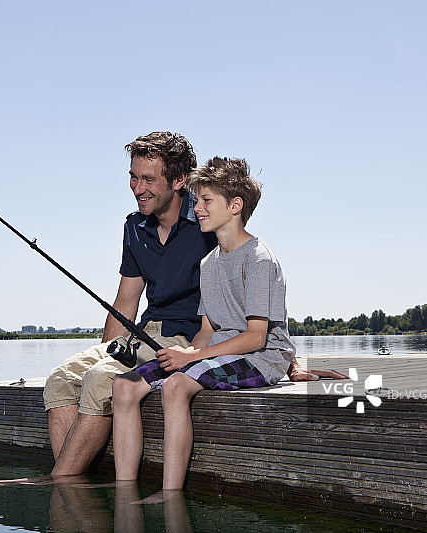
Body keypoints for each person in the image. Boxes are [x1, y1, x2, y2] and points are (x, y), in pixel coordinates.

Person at [0, 134, 341, 487]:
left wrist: (288, 362)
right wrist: (107, 353)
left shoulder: (206, 222)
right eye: (133, 177)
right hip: (145, 333)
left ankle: (61, 483)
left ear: (178, 180)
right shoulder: (135, 226)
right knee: (62, 381)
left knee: (100, 382)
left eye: (148, 179)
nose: (137, 187)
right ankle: (75, 480)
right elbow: (126, 300)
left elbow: (250, 308)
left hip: (183, 337)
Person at [111, 156, 296, 492]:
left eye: (207, 200)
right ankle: (124, 491)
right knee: (124, 386)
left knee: (176, 386)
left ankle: (169, 494)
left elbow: (256, 337)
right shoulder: (209, 262)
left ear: (235, 205)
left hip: (262, 357)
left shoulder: (259, 259)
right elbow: (208, 330)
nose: (197, 208)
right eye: (197, 201)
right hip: (219, 352)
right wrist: (186, 352)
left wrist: (191, 359)